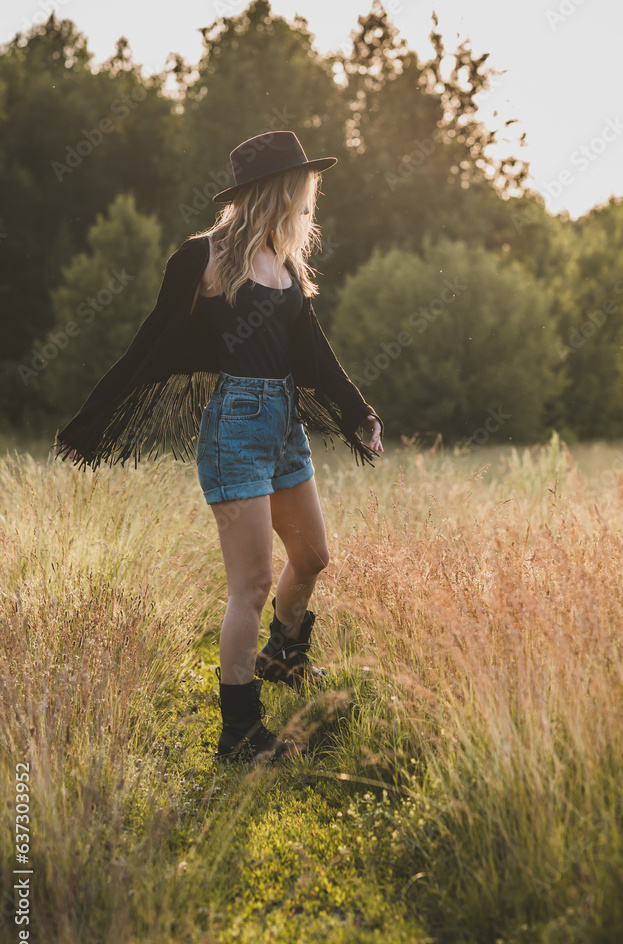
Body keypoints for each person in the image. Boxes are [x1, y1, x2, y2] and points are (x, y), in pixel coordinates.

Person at [55, 130, 384, 764]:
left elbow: (315, 356)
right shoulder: (201, 259)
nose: (310, 201)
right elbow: (146, 347)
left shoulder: (284, 264)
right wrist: (90, 424)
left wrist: (357, 412)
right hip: (235, 427)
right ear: (279, 191)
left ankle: (283, 656)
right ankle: (239, 735)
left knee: (313, 556)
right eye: (303, 190)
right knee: (252, 584)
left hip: (284, 426)